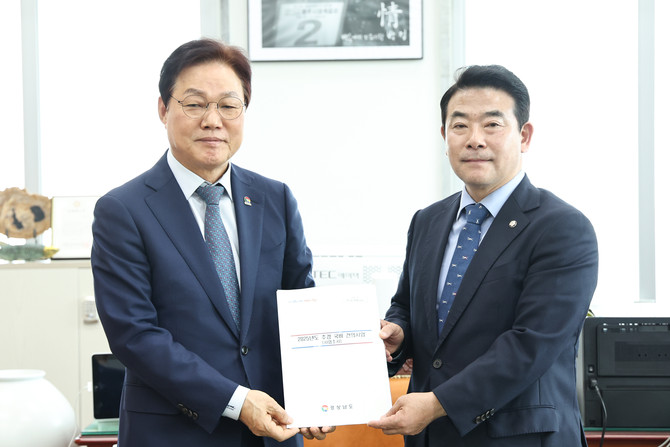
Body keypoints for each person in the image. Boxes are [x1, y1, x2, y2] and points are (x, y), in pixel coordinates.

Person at [91, 38, 333, 447]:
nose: (212, 120)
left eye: (228, 105)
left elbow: (301, 304)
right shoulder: (123, 210)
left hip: (274, 431)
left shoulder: (275, 198)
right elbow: (135, 335)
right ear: (163, 109)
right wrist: (236, 401)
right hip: (173, 433)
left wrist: (321, 393)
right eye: (195, 103)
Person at [368, 65, 598, 446]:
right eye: (460, 126)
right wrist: (399, 334)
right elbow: (405, 306)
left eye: (492, 125)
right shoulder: (427, 221)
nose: (474, 140)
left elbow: (530, 346)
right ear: (444, 137)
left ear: (524, 136)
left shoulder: (563, 228)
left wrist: (438, 403)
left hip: (519, 438)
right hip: (431, 438)